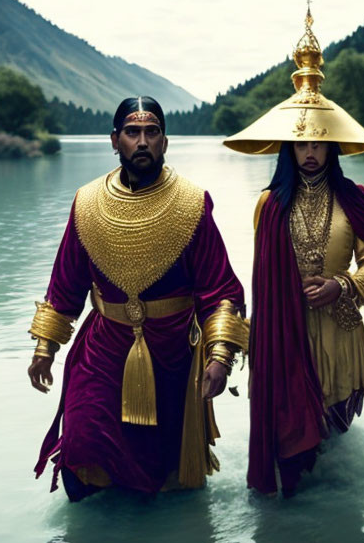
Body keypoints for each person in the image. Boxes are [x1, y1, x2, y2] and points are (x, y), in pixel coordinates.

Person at [28, 96, 248, 501]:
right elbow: (65, 283)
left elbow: (220, 289)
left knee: (161, 473)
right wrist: (45, 348)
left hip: (174, 354)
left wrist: (220, 357)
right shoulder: (87, 203)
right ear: (115, 140)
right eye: (132, 132)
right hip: (102, 348)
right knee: (82, 444)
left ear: (165, 142)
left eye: (152, 132)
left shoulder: (192, 203)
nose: (142, 141)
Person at [223, 8, 364, 496]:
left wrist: (342, 284)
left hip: (340, 334)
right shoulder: (268, 206)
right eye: (301, 143)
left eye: (319, 142)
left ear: (332, 144)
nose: (310, 151)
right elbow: (260, 284)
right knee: (296, 453)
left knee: (333, 443)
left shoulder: (357, 199)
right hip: (285, 335)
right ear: (287, 148)